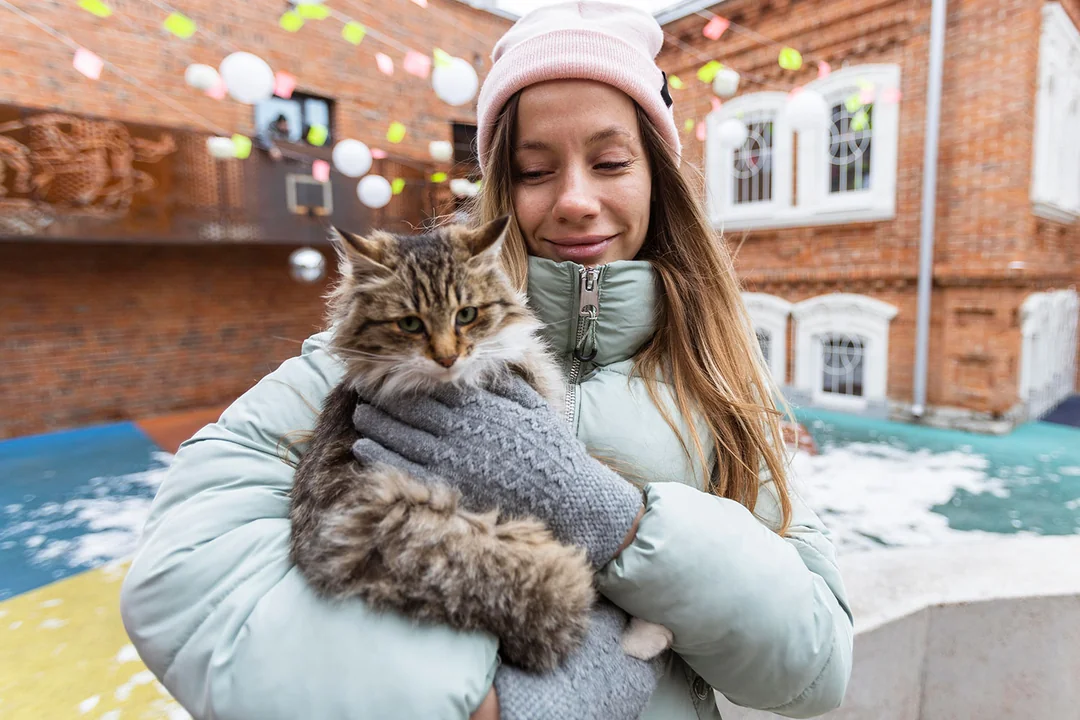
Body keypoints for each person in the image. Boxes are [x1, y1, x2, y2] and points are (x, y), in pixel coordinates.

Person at [120, 3, 853, 719]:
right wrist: (484, 704)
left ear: (656, 174)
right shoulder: (367, 360)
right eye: (535, 170)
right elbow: (182, 574)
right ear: (501, 183)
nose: (575, 200)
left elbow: (816, 668)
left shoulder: (722, 369)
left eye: (609, 162)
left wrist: (624, 524)